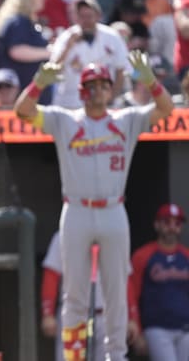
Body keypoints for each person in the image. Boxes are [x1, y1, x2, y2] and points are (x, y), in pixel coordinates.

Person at [13, 52, 174, 361]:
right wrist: (37, 83)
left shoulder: (126, 119)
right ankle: (74, 357)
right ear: (82, 90)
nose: (98, 90)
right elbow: (22, 111)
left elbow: (166, 108)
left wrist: (150, 80)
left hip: (114, 209)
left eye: (103, 85)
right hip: (76, 209)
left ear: (111, 90)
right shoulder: (65, 119)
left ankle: (116, 355)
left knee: (115, 292)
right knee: (74, 293)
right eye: (91, 85)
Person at [128, 203, 189, 361]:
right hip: (156, 328)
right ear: (157, 225)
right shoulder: (143, 255)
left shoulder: (186, 256)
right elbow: (131, 294)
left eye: (177, 223)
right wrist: (138, 330)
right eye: (166, 222)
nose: (172, 227)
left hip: (185, 327)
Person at [50, 0, 131, 109]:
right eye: (82, 16)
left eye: (89, 16)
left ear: (98, 16)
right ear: (76, 17)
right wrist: (68, 47)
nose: (86, 20)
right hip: (71, 103)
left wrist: (111, 98)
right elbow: (52, 70)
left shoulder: (112, 37)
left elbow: (121, 70)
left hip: (103, 104)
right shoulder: (66, 38)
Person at [41, 231, 107, 361]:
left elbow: (125, 277)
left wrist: (131, 316)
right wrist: (48, 313)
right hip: (73, 314)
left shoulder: (110, 232)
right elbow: (51, 275)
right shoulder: (64, 234)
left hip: (104, 315)